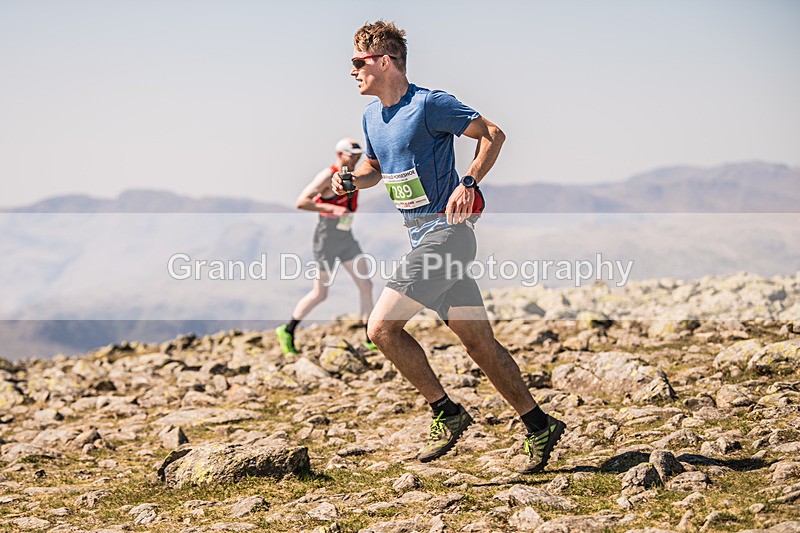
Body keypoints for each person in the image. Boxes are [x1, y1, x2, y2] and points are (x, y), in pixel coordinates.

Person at [331, 21, 565, 474]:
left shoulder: (430, 104)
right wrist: (353, 181)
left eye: (358, 61)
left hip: (448, 235)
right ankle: (539, 424)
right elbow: (377, 168)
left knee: (381, 329)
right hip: (420, 236)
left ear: (385, 61)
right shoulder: (371, 117)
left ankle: (447, 412)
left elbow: (493, 133)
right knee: (479, 344)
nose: (352, 70)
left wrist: (469, 181)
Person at [276, 138, 376, 354]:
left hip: (346, 237)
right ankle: (287, 330)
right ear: (340, 154)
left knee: (366, 285)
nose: (356, 159)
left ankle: (370, 338)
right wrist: (332, 209)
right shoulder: (327, 175)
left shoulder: (353, 176)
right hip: (326, 238)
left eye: (359, 155)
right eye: (352, 155)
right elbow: (302, 201)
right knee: (320, 293)